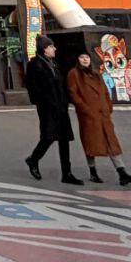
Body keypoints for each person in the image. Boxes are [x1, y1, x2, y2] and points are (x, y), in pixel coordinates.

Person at [67, 50, 131, 186]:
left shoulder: (96, 74)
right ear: (78, 59)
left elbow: (105, 91)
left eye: (87, 57)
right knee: (91, 143)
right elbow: (73, 93)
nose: (85, 60)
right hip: (89, 115)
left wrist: (108, 107)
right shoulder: (74, 74)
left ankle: (122, 172)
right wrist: (85, 109)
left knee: (111, 142)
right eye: (82, 57)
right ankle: (93, 172)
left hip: (103, 114)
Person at [23, 36, 81, 185]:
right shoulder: (34, 65)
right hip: (47, 108)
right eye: (51, 46)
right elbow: (32, 87)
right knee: (48, 136)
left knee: (64, 139)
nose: (55, 49)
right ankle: (33, 159)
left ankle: (66, 173)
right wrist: (44, 103)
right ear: (44, 48)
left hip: (61, 107)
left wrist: (65, 101)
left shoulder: (54, 63)